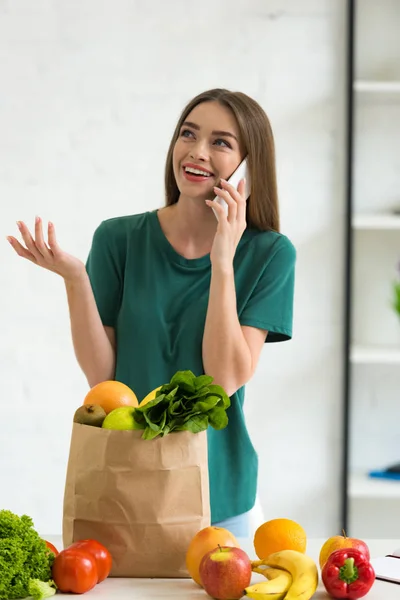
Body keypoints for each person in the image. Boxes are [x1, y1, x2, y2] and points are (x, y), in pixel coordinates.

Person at [7, 88, 296, 538]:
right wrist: (75, 280)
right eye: (188, 134)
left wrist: (223, 259)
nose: (197, 152)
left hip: (223, 501)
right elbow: (104, 379)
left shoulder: (269, 254)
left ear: (248, 167)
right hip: (129, 494)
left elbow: (223, 380)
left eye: (221, 142)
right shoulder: (117, 239)